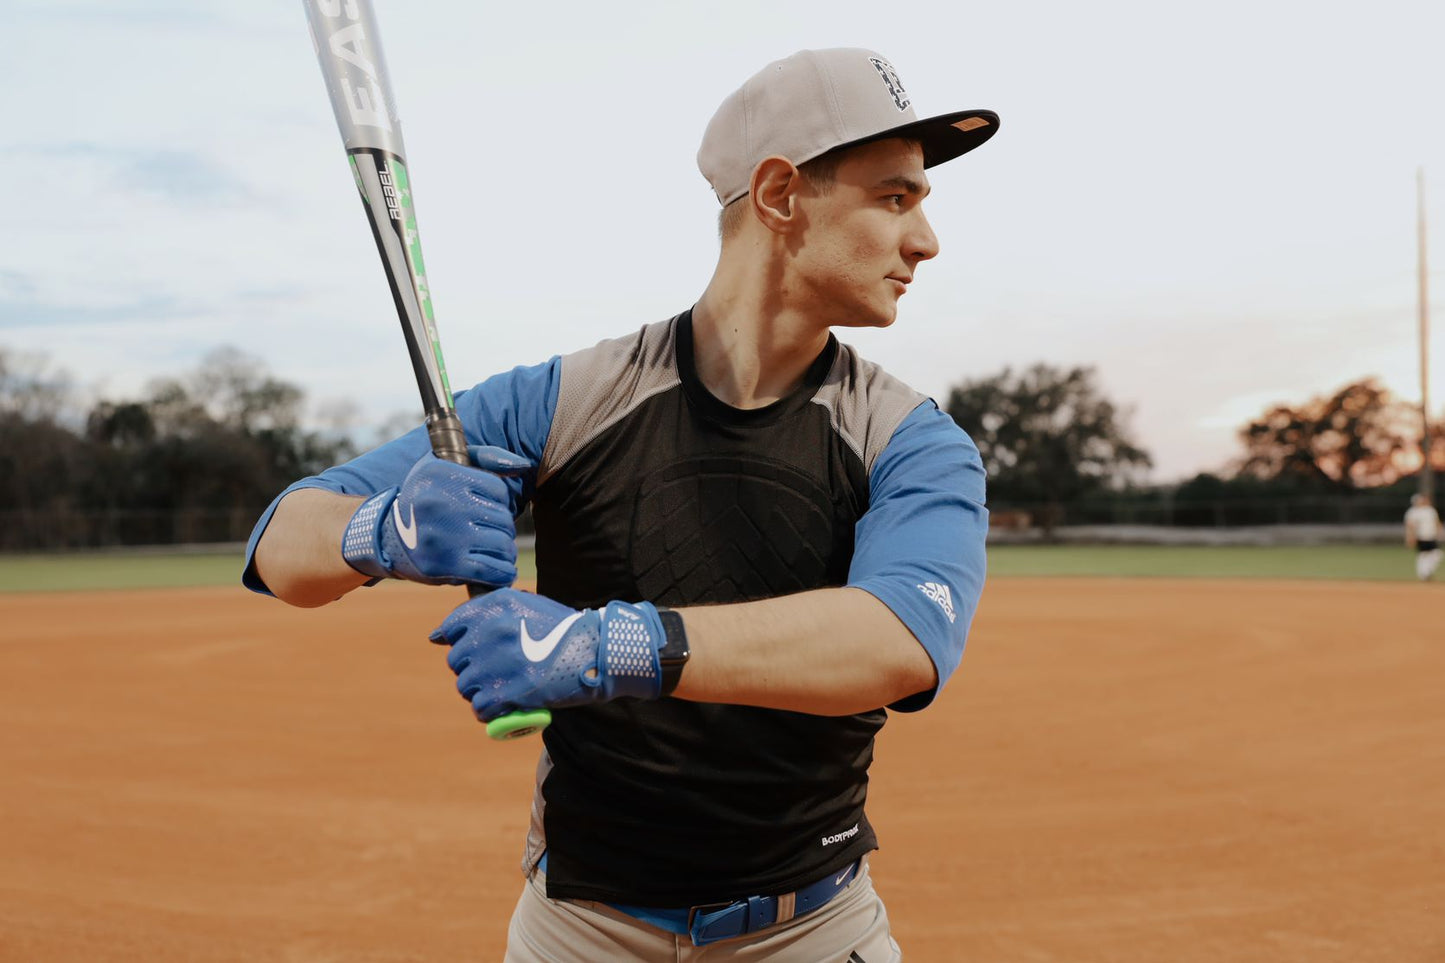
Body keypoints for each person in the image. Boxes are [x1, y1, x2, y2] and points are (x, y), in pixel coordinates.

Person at [244, 47, 997, 961]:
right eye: (895, 197)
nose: (925, 240)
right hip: (578, 930)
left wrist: (605, 646)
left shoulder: (910, 439)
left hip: (813, 929)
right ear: (778, 195)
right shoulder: (565, 400)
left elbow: (899, 638)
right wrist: (381, 529)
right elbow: (281, 544)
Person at [1404, 492, 1442, 581]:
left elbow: (1436, 522)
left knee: (1436, 554)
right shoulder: (1413, 512)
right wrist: (1410, 537)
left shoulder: (1430, 510)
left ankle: (1426, 571)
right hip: (1420, 536)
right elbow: (1410, 526)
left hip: (1431, 536)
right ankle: (1423, 574)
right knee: (1423, 555)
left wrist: (1440, 532)